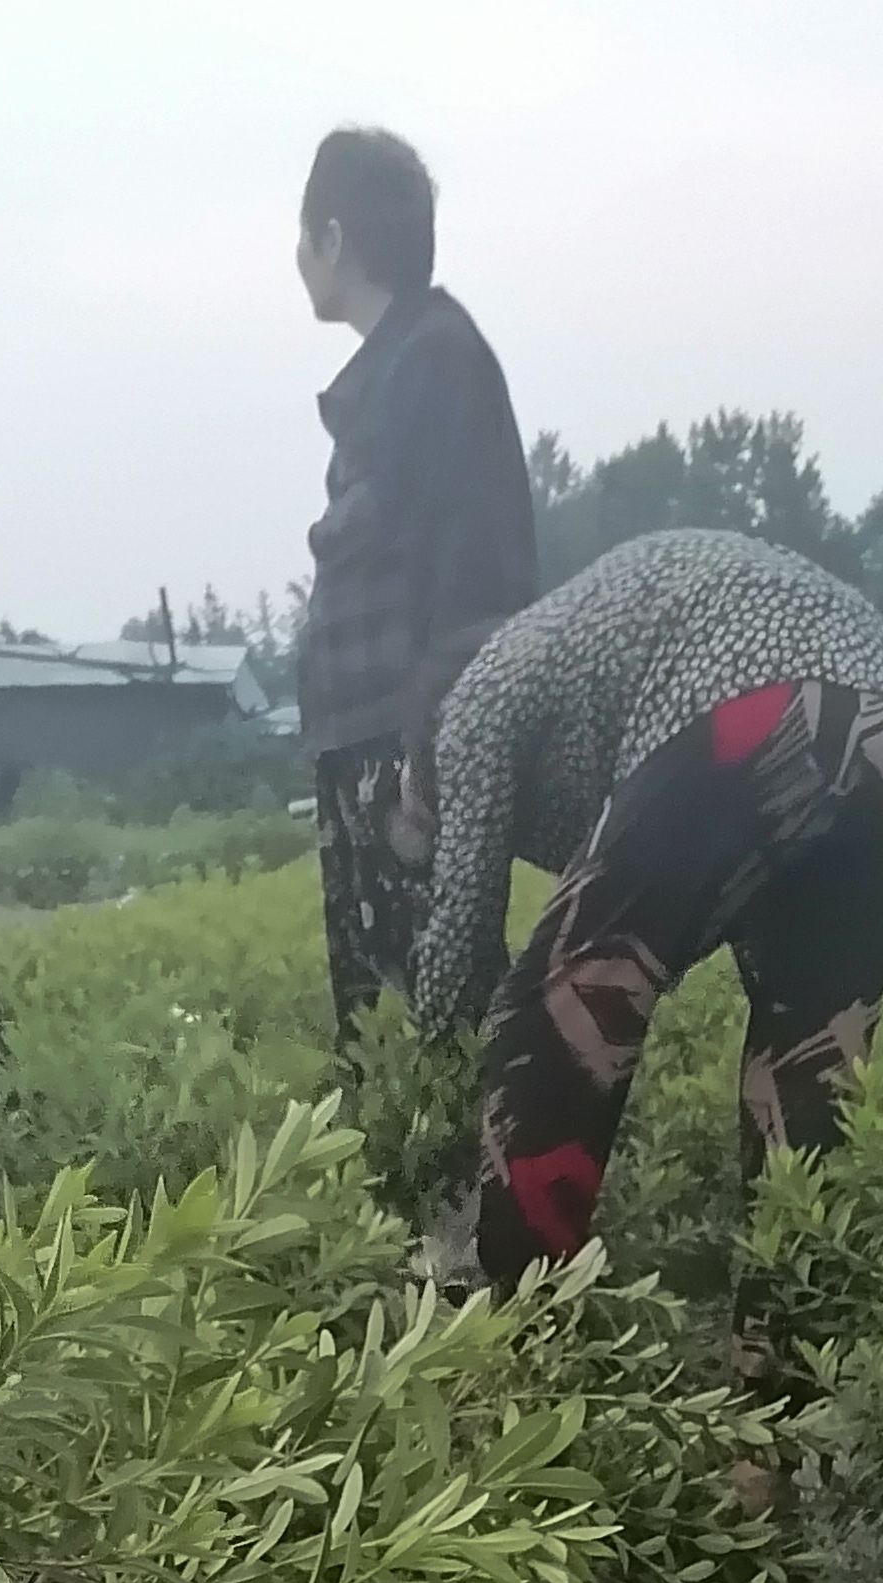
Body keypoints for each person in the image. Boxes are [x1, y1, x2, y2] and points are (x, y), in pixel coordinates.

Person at [414, 528, 883, 1301]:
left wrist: (432, 1078)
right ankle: (785, 1379)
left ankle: (511, 1327)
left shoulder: (473, 696)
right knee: (808, 1063)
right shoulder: (577, 664)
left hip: (752, 697)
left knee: (549, 1021)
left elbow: (465, 934)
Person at [294, 124, 535, 1039]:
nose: (299, 260)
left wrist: (424, 750)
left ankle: (480, 1176)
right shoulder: (401, 366)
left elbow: (472, 578)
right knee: (383, 1018)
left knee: (443, 1000)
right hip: (364, 740)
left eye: (303, 236)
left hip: (402, 742)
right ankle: (418, 1177)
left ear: (336, 241)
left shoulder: (435, 359)